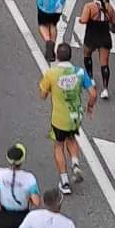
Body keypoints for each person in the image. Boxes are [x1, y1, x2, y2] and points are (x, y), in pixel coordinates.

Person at [39, 42, 95, 194]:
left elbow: (42, 95)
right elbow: (93, 93)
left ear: (57, 56)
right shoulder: (80, 72)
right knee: (72, 138)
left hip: (59, 118)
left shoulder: (51, 73)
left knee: (58, 145)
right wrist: (89, 107)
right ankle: (75, 163)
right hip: (75, 117)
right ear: (70, 56)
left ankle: (64, 182)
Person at [78, 0, 115, 99]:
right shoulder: (108, 7)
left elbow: (83, 20)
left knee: (87, 54)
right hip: (104, 36)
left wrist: (81, 19)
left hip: (91, 36)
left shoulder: (89, 6)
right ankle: (105, 89)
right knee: (104, 63)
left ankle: (91, 79)